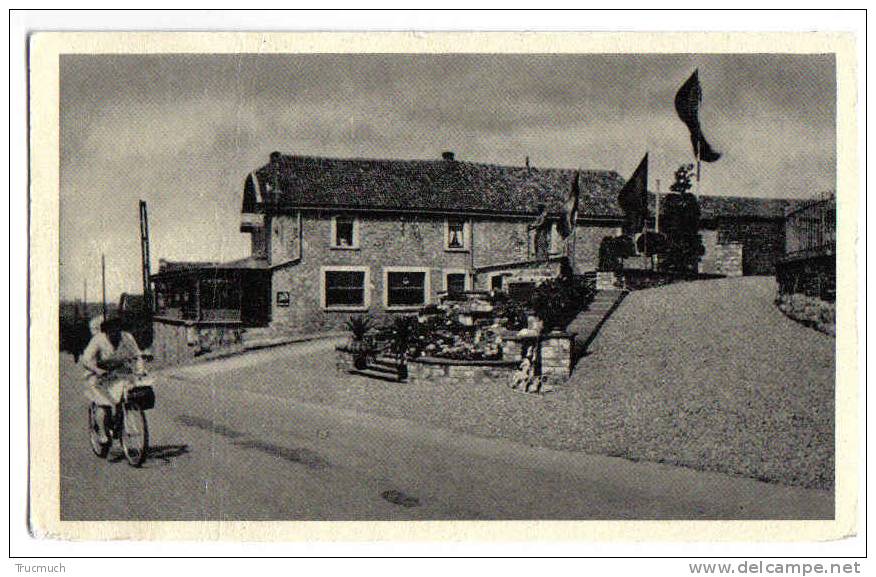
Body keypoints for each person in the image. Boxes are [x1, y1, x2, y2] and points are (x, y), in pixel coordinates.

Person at [80, 317, 143, 443]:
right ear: (106, 332)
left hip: (118, 372)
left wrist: (140, 370)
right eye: (111, 332)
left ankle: (119, 422)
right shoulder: (98, 340)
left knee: (126, 394)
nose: (115, 334)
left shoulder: (127, 338)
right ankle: (102, 433)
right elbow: (86, 360)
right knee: (104, 405)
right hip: (98, 374)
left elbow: (137, 355)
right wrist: (97, 370)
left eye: (118, 331)